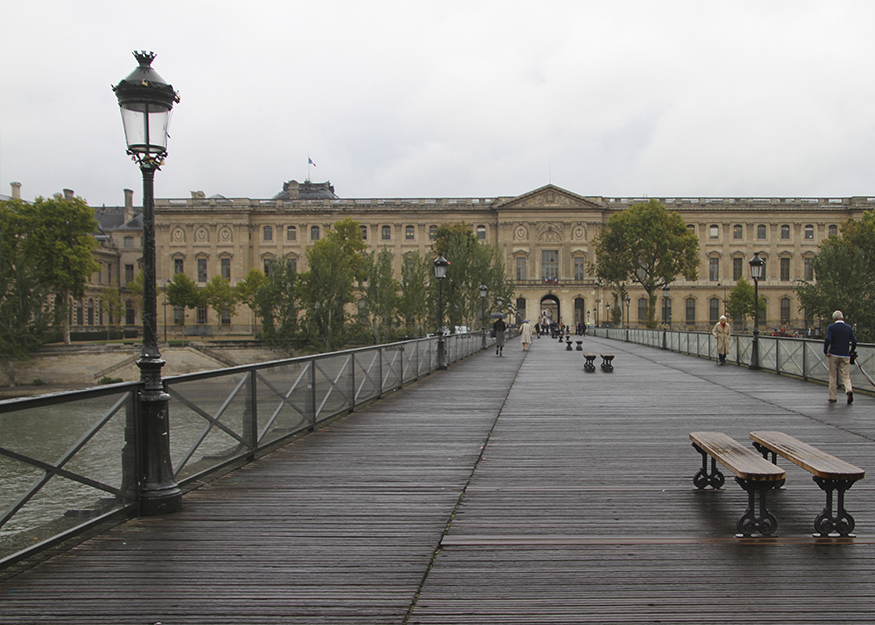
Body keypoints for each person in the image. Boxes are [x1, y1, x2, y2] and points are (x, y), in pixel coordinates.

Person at [824, 310, 857, 404]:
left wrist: (826, 351)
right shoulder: (848, 328)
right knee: (846, 376)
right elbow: (854, 341)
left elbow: (827, 339)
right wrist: (851, 352)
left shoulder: (831, 327)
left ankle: (833, 397)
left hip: (833, 354)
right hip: (845, 354)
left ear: (834, 318)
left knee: (832, 376)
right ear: (842, 318)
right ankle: (849, 390)